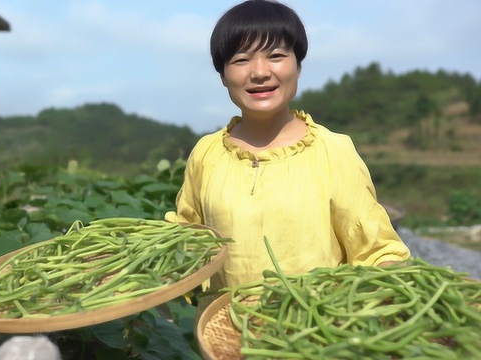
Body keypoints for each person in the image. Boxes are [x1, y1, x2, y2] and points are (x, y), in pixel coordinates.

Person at [165, 0, 411, 296]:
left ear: (298, 66)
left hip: (315, 333)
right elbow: (187, 241)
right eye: (241, 60)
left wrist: (391, 287)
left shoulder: (333, 151)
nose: (259, 72)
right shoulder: (207, 153)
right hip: (225, 333)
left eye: (276, 56)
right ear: (223, 75)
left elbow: (376, 250)